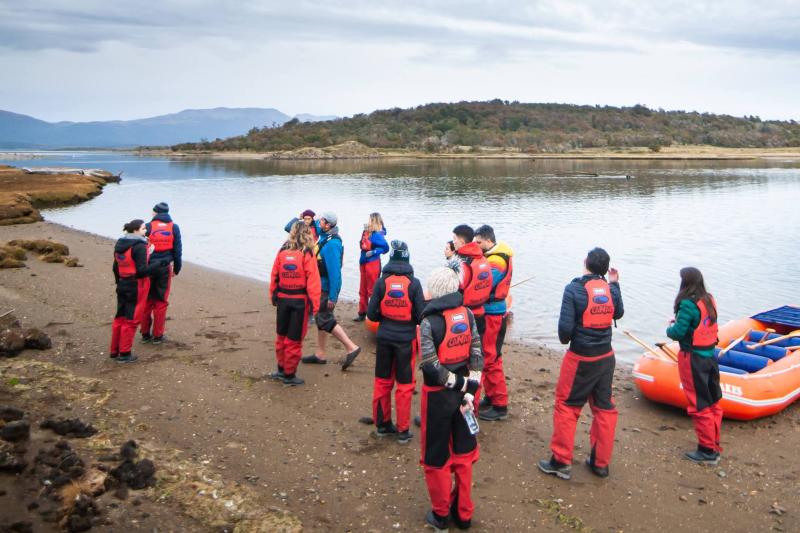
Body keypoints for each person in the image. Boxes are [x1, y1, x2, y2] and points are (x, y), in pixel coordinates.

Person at [539, 247, 624, 480]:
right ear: (605, 269)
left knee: (567, 406)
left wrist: (574, 334)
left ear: (585, 262)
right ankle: (600, 463)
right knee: (604, 408)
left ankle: (560, 461)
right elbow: (619, 312)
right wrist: (615, 284)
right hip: (606, 357)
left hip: (581, 358)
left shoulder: (574, 289)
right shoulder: (609, 289)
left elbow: (564, 333)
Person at [418, 267, 483, 531]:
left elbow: (432, 367)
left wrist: (462, 385)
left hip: (438, 397)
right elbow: (477, 351)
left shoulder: (428, 323)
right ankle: (464, 513)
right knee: (464, 454)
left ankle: (441, 514)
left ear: (434, 292)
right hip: (466, 395)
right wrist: (471, 388)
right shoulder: (467, 314)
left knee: (436, 456)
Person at [366, 240, 425, 443]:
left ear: (390, 258)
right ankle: (402, 430)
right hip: (405, 341)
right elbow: (420, 316)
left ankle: (382, 425)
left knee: (382, 382)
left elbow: (371, 315)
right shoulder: (414, 284)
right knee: (405, 385)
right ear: (407, 258)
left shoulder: (381, 282)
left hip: (384, 339)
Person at [666, 267, 722, 465]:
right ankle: (714, 445)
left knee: (699, 403)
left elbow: (676, 333)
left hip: (693, 359)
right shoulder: (709, 299)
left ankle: (707, 451)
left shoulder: (687, 305)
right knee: (713, 401)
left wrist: (669, 327)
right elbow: (700, 324)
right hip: (710, 357)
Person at [300, 212, 361, 370]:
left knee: (324, 318)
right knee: (322, 320)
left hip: (325, 289)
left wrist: (333, 297)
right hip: (320, 287)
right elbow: (293, 227)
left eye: (321, 221)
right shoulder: (324, 236)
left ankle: (351, 347)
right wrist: (302, 218)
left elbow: (335, 274)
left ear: (328, 225)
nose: (318, 223)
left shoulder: (332, 244)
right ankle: (320, 353)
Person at [269, 222, 321, 386]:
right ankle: (289, 375)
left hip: (283, 300)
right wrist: (316, 306)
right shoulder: (307, 253)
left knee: (281, 336)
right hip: (299, 302)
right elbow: (313, 281)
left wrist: (273, 296)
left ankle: (281, 369)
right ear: (307, 234)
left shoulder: (283, 251)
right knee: (294, 339)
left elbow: (274, 275)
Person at [473, 225, 513, 422]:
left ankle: (500, 404)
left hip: (494, 314)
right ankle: (491, 397)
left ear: (488, 241)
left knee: (491, 357)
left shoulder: (496, 260)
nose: (476, 246)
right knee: (489, 356)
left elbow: (483, 283)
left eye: (479, 242)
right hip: (491, 312)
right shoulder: (493, 256)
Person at [111, 219, 166, 363]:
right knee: (132, 319)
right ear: (135, 230)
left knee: (120, 317)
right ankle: (124, 353)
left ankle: (114, 350)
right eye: (143, 229)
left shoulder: (120, 243)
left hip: (123, 283)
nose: (146, 230)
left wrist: (119, 282)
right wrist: (158, 264)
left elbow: (115, 267)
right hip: (136, 285)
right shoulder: (140, 246)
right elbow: (141, 271)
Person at [141, 202, 182, 344]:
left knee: (147, 300)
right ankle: (158, 336)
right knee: (160, 301)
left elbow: (140, 249)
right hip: (164, 268)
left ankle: (145, 333)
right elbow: (177, 250)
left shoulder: (147, 227)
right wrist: (177, 268)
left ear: (155, 213)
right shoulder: (174, 227)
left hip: (148, 268)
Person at [444, 224, 492, 321]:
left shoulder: (461, 263)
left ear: (462, 241)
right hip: (481, 312)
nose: (453, 242)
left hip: (466, 315)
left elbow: (449, 290)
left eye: (454, 239)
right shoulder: (482, 258)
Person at [354, 212, 389, 322]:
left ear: (374, 221)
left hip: (372, 263)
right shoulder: (366, 232)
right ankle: (362, 312)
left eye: (370, 219)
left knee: (372, 290)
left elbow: (386, 248)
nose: (368, 221)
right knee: (362, 289)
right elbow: (362, 245)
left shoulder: (377, 234)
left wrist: (374, 251)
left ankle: (374, 315)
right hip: (364, 262)